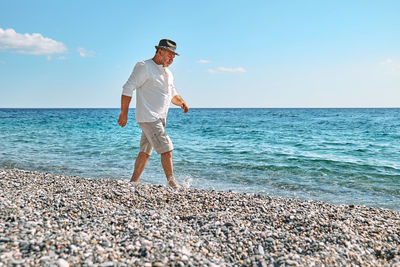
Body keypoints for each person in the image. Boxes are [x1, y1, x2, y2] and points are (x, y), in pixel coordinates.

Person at [117, 39, 189, 187]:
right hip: (149, 117)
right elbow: (127, 88)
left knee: (145, 151)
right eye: (170, 55)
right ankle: (172, 184)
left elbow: (172, 95)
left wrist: (181, 102)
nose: (172, 59)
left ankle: (133, 182)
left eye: (174, 57)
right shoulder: (144, 67)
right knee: (167, 148)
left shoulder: (168, 73)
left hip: (160, 118)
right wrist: (123, 113)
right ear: (160, 51)